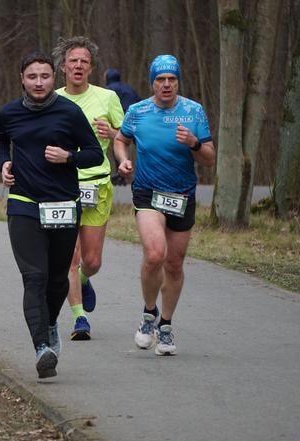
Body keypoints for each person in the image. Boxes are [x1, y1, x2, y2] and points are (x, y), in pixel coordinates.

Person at [0, 51, 102, 378]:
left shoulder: (69, 112)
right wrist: (4, 163)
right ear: (22, 80)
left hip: (63, 205)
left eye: (44, 76)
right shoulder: (10, 112)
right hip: (24, 203)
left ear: (54, 78)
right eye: (31, 77)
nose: (38, 83)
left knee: (56, 280)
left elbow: (94, 154)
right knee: (34, 277)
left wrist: (69, 157)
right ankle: (42, 347)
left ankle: (51, 322)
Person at [113, 54, 215, 355]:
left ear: (178, 82)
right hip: (147, 192)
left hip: (182, 194)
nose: (166, 85)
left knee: (174, 263)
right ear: (152, 83)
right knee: (155, 254)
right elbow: (120, 140)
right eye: (160, 80)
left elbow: (209, 158)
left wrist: (194, 143)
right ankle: (148, 313)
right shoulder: (138, 111)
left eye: (172, 79)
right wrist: (123, 160)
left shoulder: (193, 111)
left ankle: (166, 326)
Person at [52, 36, 124, 340]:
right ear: (63, 67)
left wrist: (119, 150)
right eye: (73, 60)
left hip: (97, 183)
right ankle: (80, 319)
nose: (78, 65)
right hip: (62, 185)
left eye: (84, 61)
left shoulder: (107, 98)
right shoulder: (52, 99)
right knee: (70, 257)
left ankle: (83, 280)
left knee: (91, 261)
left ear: (91, 68)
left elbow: (124, 134)